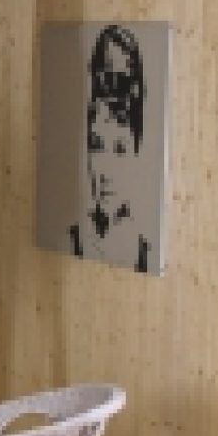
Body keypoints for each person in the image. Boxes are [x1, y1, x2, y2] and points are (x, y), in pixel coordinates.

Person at [69, 24, 150, 272]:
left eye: (120, 149)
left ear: (137, 151)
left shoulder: (144, 253)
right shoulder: (73, 239)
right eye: (96, 146)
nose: (105, 170)